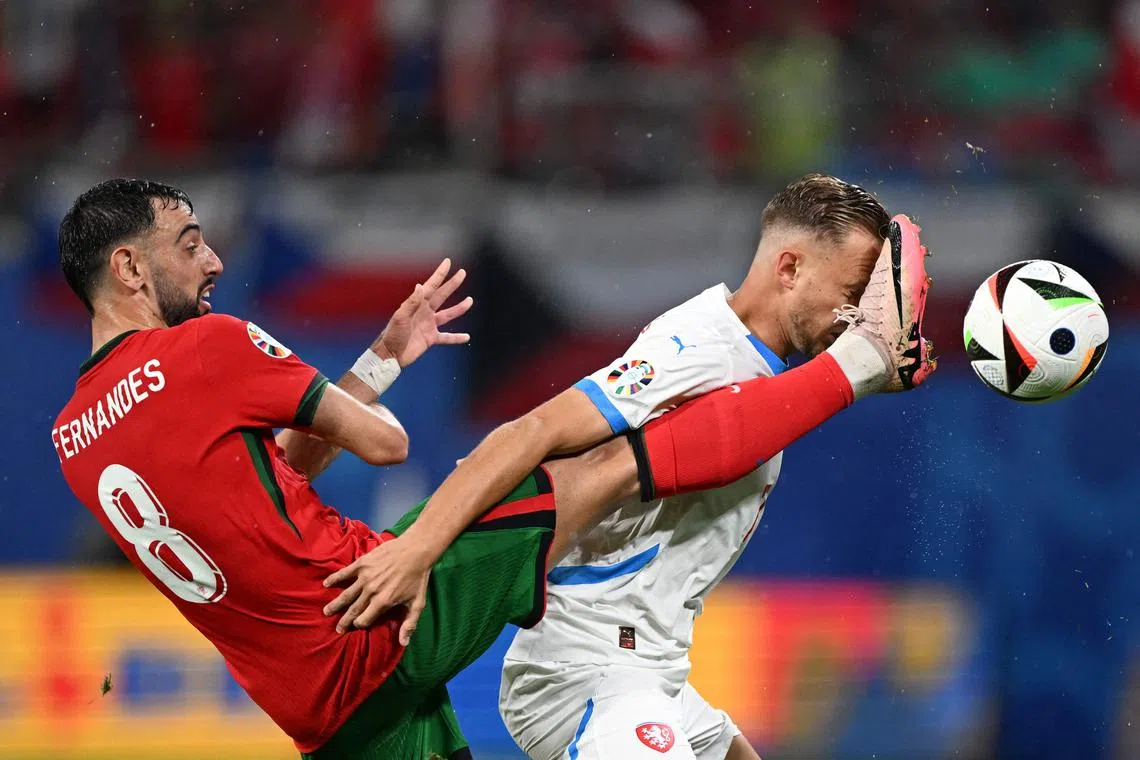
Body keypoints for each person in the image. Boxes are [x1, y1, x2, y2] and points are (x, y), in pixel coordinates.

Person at [54, 178, 932, 760]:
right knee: (589, 469)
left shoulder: (74, 438)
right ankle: (855, 370)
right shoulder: (209, 347)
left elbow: (279, 474)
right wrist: (413, 550)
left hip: (309, 702)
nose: (211, 262)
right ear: (129, 265)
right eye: (190, 241)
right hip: (370, 613)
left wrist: (381, 357)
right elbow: (387, 444)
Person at [322, 174, 935, 759]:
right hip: (586, 665)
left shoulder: (760, 365)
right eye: (854, 295)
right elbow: (531, 430)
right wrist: (418, 549)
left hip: (656, 670)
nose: (860, 318)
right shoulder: (698, 349)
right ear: (790, 267)